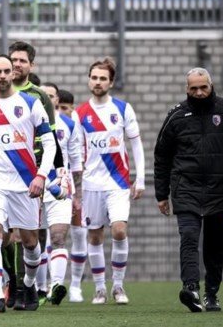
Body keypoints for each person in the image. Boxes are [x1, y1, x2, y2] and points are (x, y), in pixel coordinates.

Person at [154, 67, 223, 313]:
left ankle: (212, 293)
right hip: (185, 188)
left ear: (211, 86)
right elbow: (162, 156)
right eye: (194, 88)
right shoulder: (176, 117)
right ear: (186, 89)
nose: (199, 92)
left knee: (214, 244)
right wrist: (161, 193)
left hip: (221, 189)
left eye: (204, 87)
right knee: (188, 238)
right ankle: (190, 288)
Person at [0, 54, 56, 313]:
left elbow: (51, 143)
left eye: (6, 70)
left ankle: (29, 284)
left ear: (13, 73)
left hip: (25, 181)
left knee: (31, 242)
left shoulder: (31, 103)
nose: (2, 75)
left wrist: (41, 176)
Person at [76, 57, 145, 305]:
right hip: (91, 184)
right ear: (89, 79)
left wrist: (140, 179)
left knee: (118, 230)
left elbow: (136, 144)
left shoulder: (123, 109)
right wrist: (74, 186)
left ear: (111, 82)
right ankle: (99, 289)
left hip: (118, 182)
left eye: (102, 78)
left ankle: (117, 286)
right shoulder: (79, 113)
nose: (97, 82)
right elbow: (76, 151)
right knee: (94, 237)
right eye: (94, 77)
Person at [40, 82, 83, 304]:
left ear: (57, 100)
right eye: (44, 95)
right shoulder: (29, 120)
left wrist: (77, 194)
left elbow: (75, 161)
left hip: (61, 188)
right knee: (33, 242)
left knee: (58, 237)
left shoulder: (69, 124)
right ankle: (36, 286)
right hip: (33, 188)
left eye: (51, 96)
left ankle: (56, 285)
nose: (48, 98)